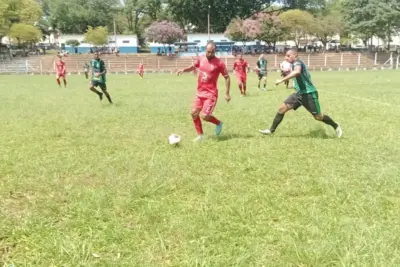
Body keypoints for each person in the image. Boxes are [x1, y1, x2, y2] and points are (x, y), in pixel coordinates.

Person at [259, 49, 343, 137]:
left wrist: (282, 80)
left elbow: (297, 72)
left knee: (318, 117)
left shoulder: (297, 62)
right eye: (285, 56)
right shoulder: (294, 64)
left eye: (288, 55)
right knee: (281, 109)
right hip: (299, 94)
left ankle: (336, 126)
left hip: (309, 94)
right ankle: (271, 130)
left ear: (294, 55)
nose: (286, 57)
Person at [177, 41, 231, 142]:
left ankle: (218, 123)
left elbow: (227, 77)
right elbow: (193, 67)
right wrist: (184, 70)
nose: (210, 54)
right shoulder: (201, 58)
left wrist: (227, 93)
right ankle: (201, 135)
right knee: (194, 113)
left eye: (212, 52)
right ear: (205, 50)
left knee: (204, 116)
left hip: (211, 94)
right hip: (199, 93)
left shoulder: (219, 63)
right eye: (208, 52)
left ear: (215, 51)